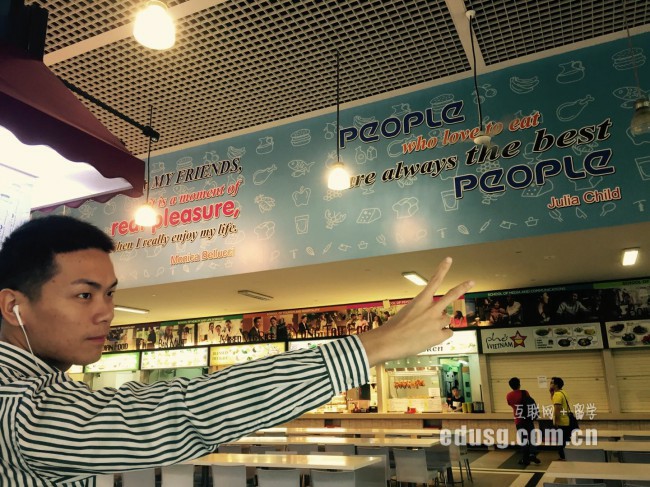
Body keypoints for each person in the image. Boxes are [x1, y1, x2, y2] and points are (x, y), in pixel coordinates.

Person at [0, 215, 472, 485]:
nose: (106, 312)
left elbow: (156, 406)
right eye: (84, 295)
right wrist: (371, 346)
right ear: (13, 306)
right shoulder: (16, 406)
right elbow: (178, 412)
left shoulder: (41, 391)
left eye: (109, 294)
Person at [506, 377, 540, 466]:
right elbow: (530, 403)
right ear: (519, 384)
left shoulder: (509, 396)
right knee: (532, 437)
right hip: (528, 419)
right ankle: (532, 454)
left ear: (510, 386)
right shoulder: (525, 392)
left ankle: (525, 459)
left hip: (519, 420)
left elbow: (510, 404)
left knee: (524, 439)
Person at [550, 376, 572, 460]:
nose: (550, 384)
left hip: (561, 421)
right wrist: (551, 393)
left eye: (552, 383)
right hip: (566, 420)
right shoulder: (563, 392)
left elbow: (557, 409)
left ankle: (563, 457)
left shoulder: (557, 395)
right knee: (565, 440)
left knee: (561, 441)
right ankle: (567, 455)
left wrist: (556, 422)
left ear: (556, 385)